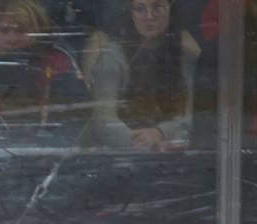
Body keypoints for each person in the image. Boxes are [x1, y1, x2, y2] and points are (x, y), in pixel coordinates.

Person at [0, 0, 88, 146]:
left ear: (37, 30)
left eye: (21, 30)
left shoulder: (57, 61)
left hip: (45, 152)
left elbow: (74, 120)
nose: (12, 39)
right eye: (4, 30)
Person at [81, 0, 200, 149]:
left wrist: (160, 133)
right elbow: (103, 121)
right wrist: (144, 142)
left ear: (170, 10)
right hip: (119, 155)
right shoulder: (111, 57)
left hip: (170, 151)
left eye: (157, 8)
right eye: (140, 9)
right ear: (130, 13)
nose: (149, 16)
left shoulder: (185, 56)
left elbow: (189, 118)